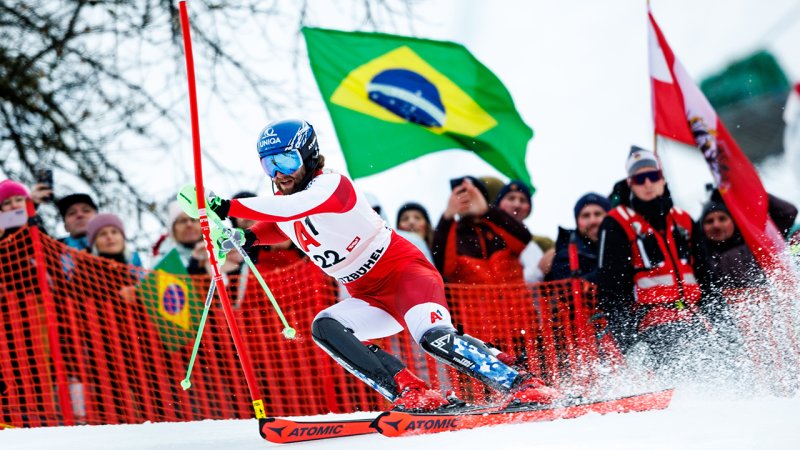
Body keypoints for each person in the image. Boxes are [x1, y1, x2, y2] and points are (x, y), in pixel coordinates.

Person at [203, 118, 559, 411]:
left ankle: (521, 383)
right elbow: (279, 222)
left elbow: (288, 210)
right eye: (269, 164)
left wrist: (226, 208)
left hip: (404, 274)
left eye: (287, 161)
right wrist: (245, 238)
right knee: (325, 327)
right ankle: (411, 390)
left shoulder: (331, 186)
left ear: (309, 156)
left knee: (433, 338)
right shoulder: (287, 200)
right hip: (369, 294)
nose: (278, 173)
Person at [596, 146, 704, 369]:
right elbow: (611, 287)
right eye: (639, 178)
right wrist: (627, 341)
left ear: (662, 179)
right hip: (652, 320)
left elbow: (707, 276)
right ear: (630, 183)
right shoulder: (617, 222)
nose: (647, 183)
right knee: (682, 360)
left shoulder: (684, 219)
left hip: (694, 315)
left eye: (653, 176)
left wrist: (721, 322)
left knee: (723, 355)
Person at [694, 190, 797, 321]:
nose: (716, 225)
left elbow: (788, 213)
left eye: (722, 219)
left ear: (734, 220)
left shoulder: (756, 241)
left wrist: (743, 191)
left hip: (773, 317)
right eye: (709, 221)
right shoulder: (702, 256)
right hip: (734, 324)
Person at [432, 176, 531, 285]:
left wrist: (486, 211)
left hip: (514, 300)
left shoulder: (498, 225)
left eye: (472, 193)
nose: (466, 198)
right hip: (472, 301)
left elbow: (523, 240)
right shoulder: (453, 234)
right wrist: (447, 217)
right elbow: (443, 268)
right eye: (460, 194)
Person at [493, 180, 553, 283]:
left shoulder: (534, 248)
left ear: (528, 209)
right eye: (511, 198)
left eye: (522, 200)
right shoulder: (486, 236)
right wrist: (539, 271)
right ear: (499, 203)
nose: (517, 205)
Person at [545, 193, 611, 283]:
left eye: (598, 214)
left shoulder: (623, 244)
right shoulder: (565, 253)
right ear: (577, 222)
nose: (593, 221)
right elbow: (567, 290)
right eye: (586, 216)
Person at [152, 201, 208, 274]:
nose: (189, 224)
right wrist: (194, 264)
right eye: (182, 221)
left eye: (194, 219)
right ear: (173, 229)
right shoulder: (163, 261)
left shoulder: (221, 252)